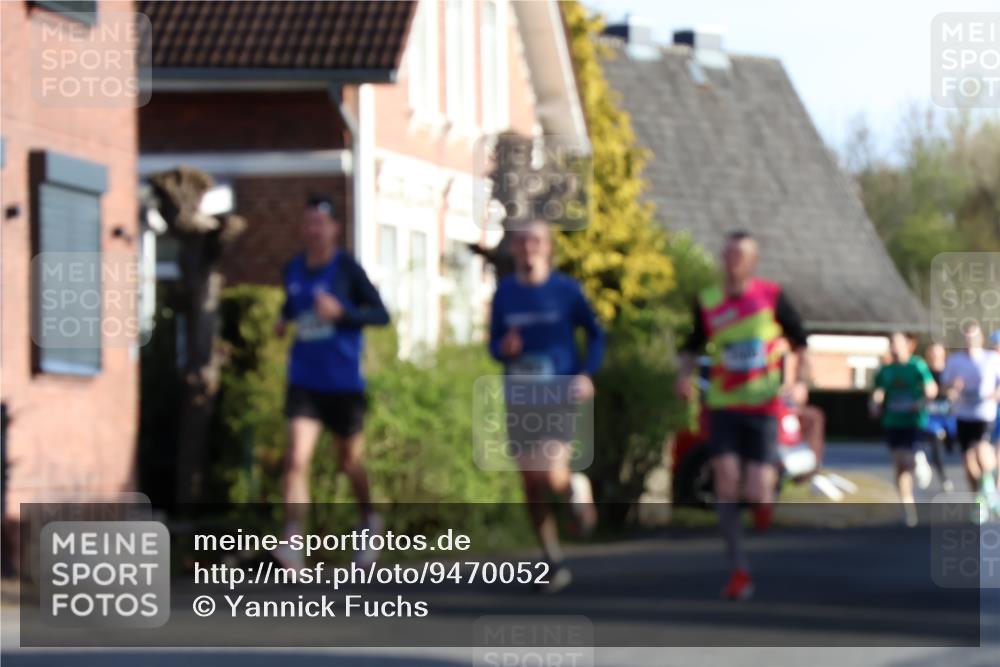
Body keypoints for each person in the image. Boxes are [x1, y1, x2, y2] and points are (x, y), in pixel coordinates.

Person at [675, 230, 809, 601]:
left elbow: (801, 342)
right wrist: (683, 376)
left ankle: (766, 497)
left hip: (764, 406)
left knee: (756, 490)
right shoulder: (709, 302)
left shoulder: (771, 297)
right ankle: (739, 570)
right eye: (728, 256)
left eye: (741, 257)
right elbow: (690, 347)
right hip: (723, 406)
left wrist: (799, 382)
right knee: (726, 484)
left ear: (753, 262)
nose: (733, 263)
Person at [273, 194, 390, 568]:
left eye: (320, 223)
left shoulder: (347, 270)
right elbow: (292, 305)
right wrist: (281, 320)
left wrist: (344, 312)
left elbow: (381, 315)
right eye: (308, 223)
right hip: (305, 379)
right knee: (295, 459)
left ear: (334, 228)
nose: (313, 230)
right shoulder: (293, 268)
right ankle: (292, 542)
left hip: (344, 383)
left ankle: (370, 521)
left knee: (349, 462)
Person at [489, 218, 605, 593]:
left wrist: (587, 372)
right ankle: (551, 558)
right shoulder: (504, 293)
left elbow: (597, 334)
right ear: (514, 249)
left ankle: (574, 485)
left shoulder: (566, 291)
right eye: (521, 242)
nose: (528, 248)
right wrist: (502, 349)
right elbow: (492, 344)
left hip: (559, 393)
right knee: (531, 483)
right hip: (520, 396)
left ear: (548, 247)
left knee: (552, 474)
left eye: (536, 241)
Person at [870, 333, 937, 526]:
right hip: (893, 420)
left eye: (897, 343)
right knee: (899, 465)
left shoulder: (917, 365)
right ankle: (907, 507)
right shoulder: (886, 369)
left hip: (913, 420)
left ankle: (919, 461)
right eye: (891, 343)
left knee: (907, 459)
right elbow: (879, 392)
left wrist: (921, 401)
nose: (894, 347)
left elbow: (931, 389)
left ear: (908, 345)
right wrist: (874, 404)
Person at [940, 322, 1000, 518]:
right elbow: (945, 386)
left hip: (985, 413)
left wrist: (996, 393)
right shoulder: (955, 361)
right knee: (968, 462)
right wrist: (953, 389)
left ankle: (990, 487)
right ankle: (979, 499)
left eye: (973, 337)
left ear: (980, 338)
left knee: (982, 451)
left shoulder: (992, 359)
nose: (970, 341)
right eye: (966, 337)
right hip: (964, 415)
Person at [923, 342, 955, 492]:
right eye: (933, 353)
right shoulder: (925, 372)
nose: (936, 356)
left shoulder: (951, 371)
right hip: (932, 418)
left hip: (950, 417)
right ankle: (944, 479)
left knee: (954, 448)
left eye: (939, 353)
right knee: (936, 449)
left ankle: (986, 493)